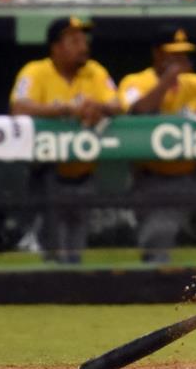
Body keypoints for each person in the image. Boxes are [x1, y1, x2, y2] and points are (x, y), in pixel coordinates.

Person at [119, 26, 196, 263]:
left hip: (194, 177)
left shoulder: (195, 83)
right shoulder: (137, 81)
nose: (181, 61)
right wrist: (167, 80)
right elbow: (138, 110)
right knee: (157, 245)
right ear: (157, 54)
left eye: (184, 55)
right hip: (153, 179)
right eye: (174, 55)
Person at [10, 17, 121, 263]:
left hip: (83, 174)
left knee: (75, 251)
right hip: (47, 174)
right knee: (52, 249)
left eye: (83, 40)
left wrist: (98, 107)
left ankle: (73, 293)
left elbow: (117, 103)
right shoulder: (36, 70)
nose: (83, 46)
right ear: (56, 47)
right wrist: (68, 110)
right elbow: (19, 106)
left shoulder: (94, 71)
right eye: (74, 41)